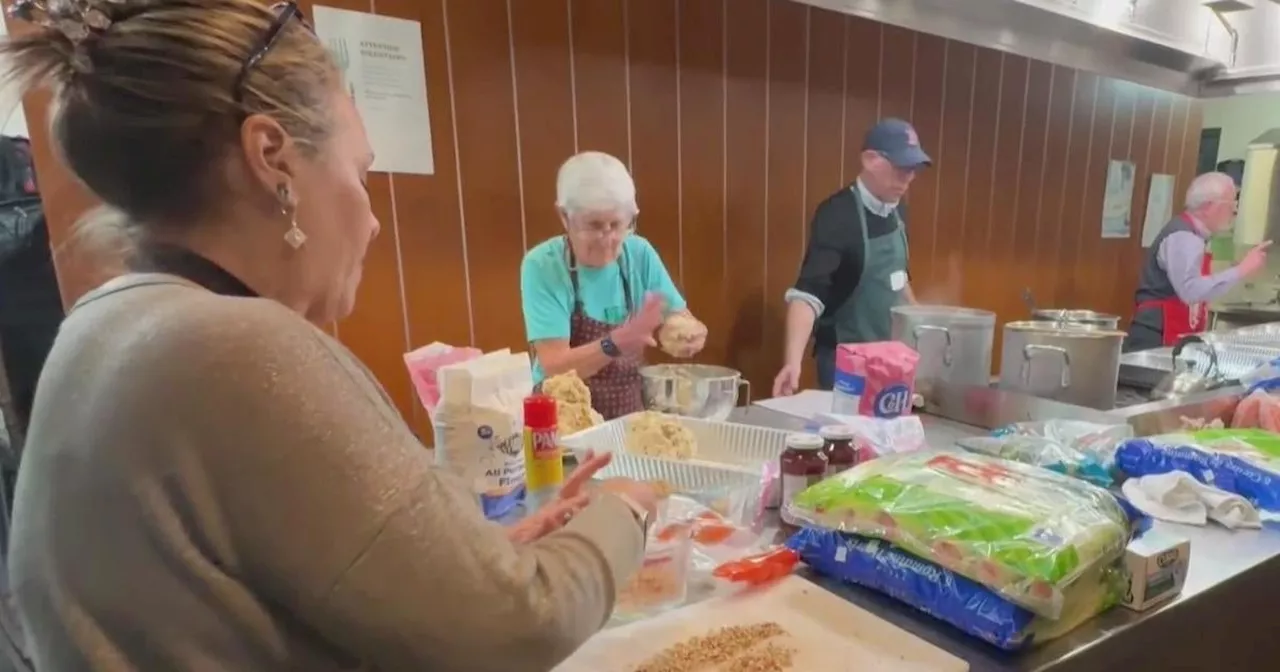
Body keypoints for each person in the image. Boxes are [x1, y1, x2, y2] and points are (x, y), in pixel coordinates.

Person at [1, 2, 660, 670]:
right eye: (360, 174)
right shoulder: (234, 347)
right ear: (272, 158)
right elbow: (520, 625)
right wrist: (626, 512)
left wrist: (469, 563)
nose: (372, 221)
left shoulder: (101, 321)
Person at [520, 151, 707, 418]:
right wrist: (619, 340)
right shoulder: (543, 266)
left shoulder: (639, 253)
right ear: (564, 216)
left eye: (618, 225)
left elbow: (676, 316)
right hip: (563, 422)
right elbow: (555, 366)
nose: (608, 238)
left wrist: (688, 333)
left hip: (627, 415)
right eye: (594, 226)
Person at [772, 119, 931, 396]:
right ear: (870, 160)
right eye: (900, 167)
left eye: (913, 169)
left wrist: (922, 330)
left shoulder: (898, 210)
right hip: (846, 364)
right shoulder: (838, 216)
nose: (908, 177)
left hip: (891, 361)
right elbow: (807, 295)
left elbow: (898, 279)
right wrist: (792, 363)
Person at [1127, 171, 1270, 351]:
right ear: (1209, 206)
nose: (1234, 210)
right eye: (1231, 203)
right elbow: (1190, 290)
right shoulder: (1184, 237)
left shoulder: (1196, 236)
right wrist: (1242, 269)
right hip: (1156, 336)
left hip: (1171, 333)